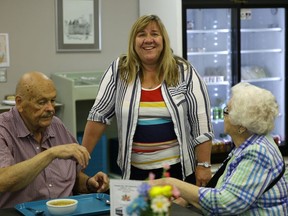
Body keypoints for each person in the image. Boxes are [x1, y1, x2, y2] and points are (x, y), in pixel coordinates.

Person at [82, 14, 214, 187]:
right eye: (141, 34)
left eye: (154, 34)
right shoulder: (119, 70)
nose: (148, 40)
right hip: (135, 173)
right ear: (133, 41)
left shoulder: (183, 71)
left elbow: (201, 121)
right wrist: (80, 163)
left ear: (163, 39)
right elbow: (98, 116)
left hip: (177, 172)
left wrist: (204, 165)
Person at [151, 82, 288, 215]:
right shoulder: (254, 143)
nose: (223, 114)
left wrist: (170, 183)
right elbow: (224, 187)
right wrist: (187, 199)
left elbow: (224, 203)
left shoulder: (258, 153)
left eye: (227, 110)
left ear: (241, 126)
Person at [0, 71, 109, 208]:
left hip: (65, 210)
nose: (51, 109)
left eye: (52, 100)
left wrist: (89, 183)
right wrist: (50, 154)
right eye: (42, 102)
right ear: (20, 103)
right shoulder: (3, 131)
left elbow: (72, 178)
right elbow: (3, 180)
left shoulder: (57, 126)